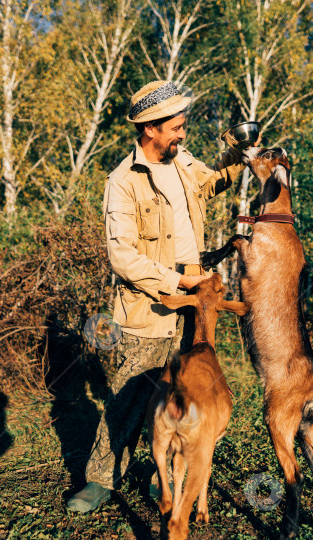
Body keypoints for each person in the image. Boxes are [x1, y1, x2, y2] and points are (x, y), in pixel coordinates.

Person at [67, 80, 247, 513]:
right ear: (150, 129)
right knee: (133, 394)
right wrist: (175, 282)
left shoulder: (181, 161)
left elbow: (214, 180)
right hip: (152, 306)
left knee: (185, 392)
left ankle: (160, 475)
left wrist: (241, 153)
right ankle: (100, 480)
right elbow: (122, 256)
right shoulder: (122, 182)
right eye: (176, 127)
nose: (183, 135)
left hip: (195, 301)